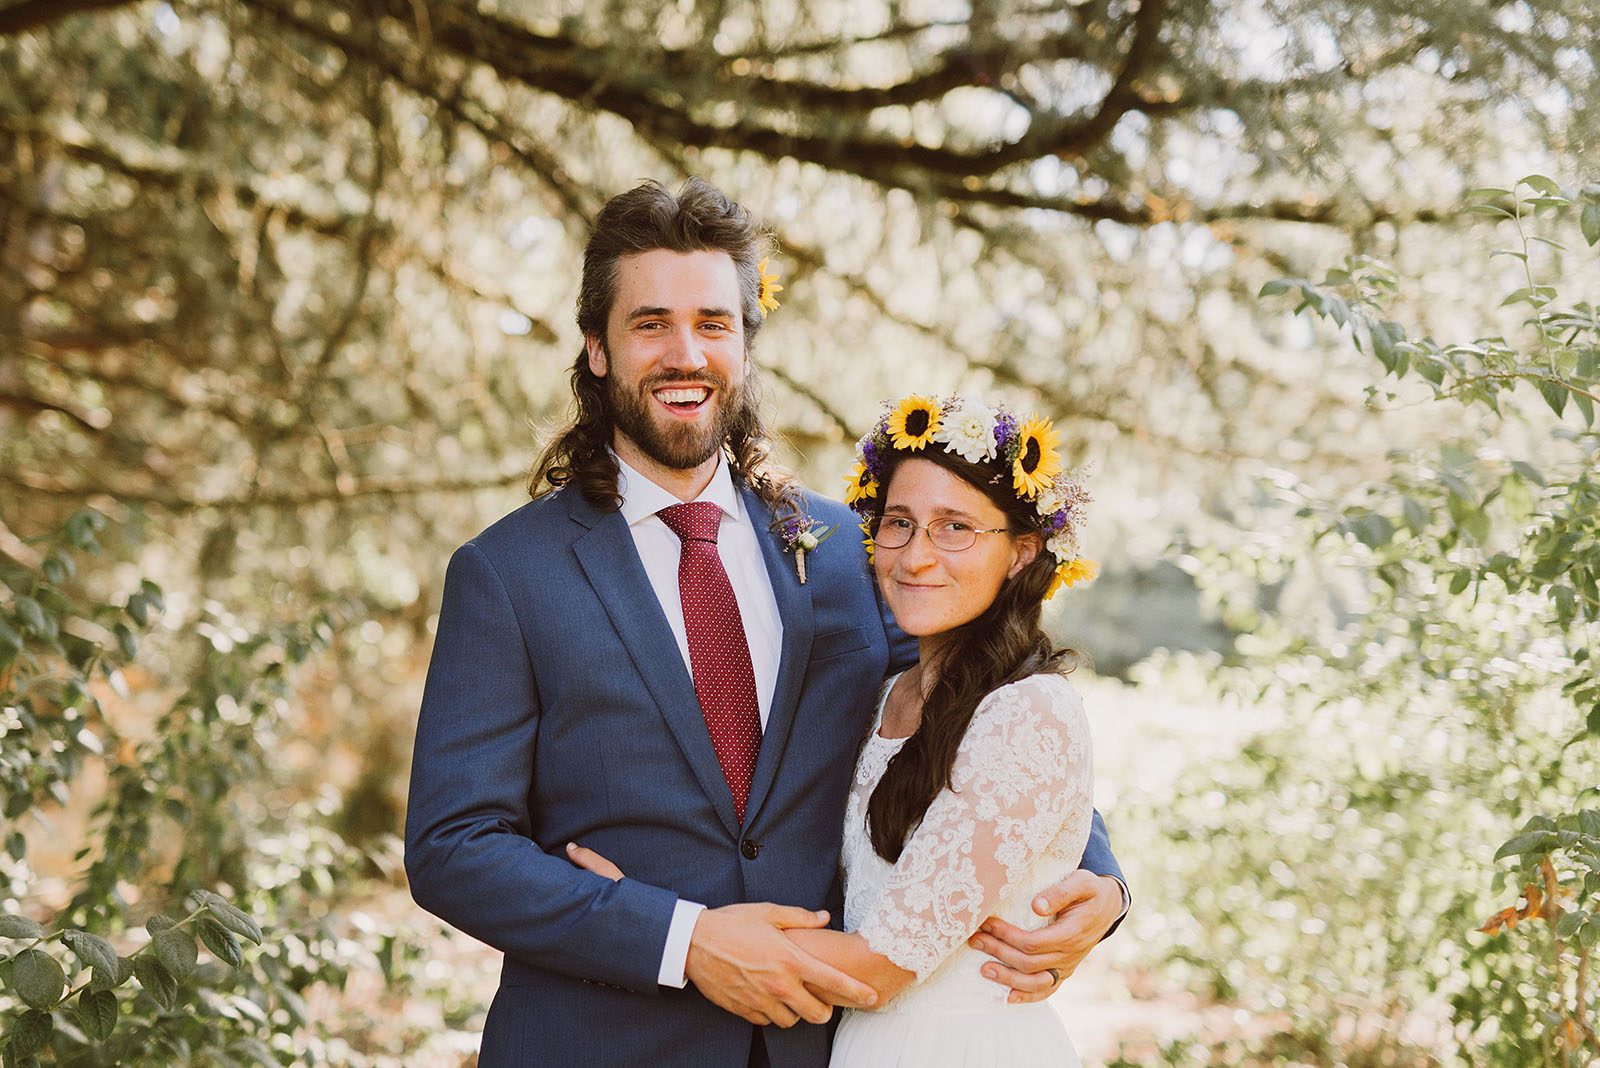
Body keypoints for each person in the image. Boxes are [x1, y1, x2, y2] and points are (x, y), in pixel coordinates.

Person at [403, 178, 1126, 1068]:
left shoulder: (847, 551)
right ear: (596, 347)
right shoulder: (509, 575)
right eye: (649, 324)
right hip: (599, 1041)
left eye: (713, 324)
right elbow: (452, 847)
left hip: (815, 1047)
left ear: (745, 344)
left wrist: (1099, 876)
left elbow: (980, 705)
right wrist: (680, 939)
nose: (685, 354)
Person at [573, 391, 1104, 1065]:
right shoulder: (884, 694)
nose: (916, 557)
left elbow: (880, 966)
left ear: (1022, 553)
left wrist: (658, 930)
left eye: (956, 528)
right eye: (900, 523)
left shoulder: (1032, 711)